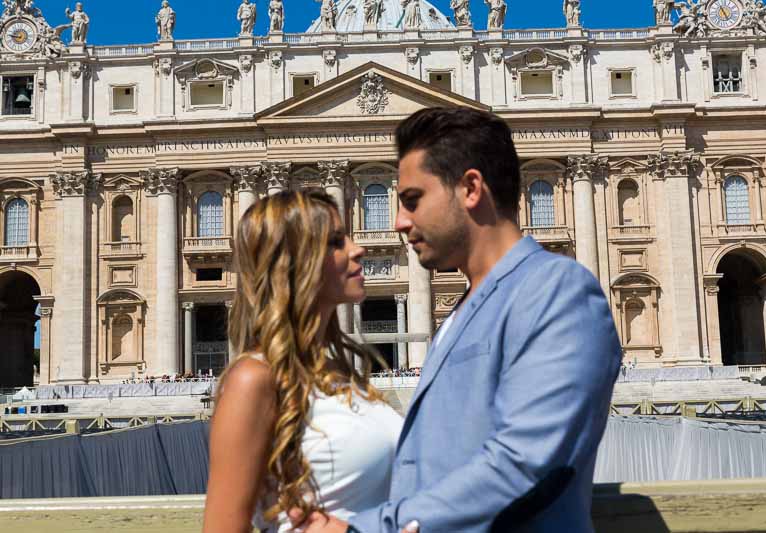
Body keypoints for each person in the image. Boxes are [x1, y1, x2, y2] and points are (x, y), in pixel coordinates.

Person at [293, 107, 622, 533]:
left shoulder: (557, 290)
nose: (399, 222)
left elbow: (527, 463)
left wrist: (367, 529)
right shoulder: (464, 308)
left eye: (412, 200)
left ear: (470, 188)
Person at [202, 190, 404, 533]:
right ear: (293, 260)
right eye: (336, 241)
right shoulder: (253, 379)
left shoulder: (338, 372)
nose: (358, 249)